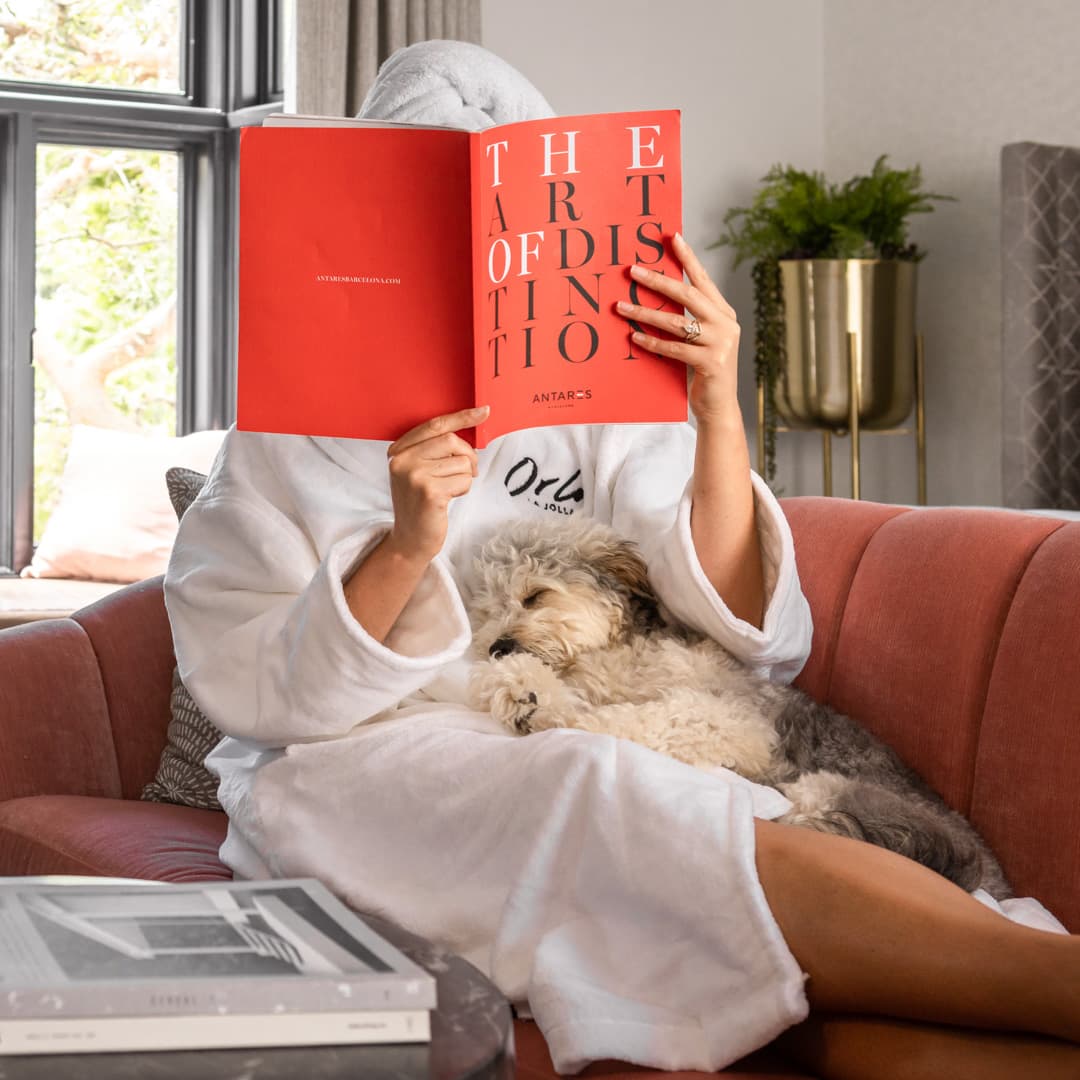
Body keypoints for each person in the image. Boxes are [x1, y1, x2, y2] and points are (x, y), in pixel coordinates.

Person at [166, 41, 1080, 1079]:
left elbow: (744, 623)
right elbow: (258, 690)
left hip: (596, 722)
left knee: (740, 872)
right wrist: (407, 542)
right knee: (601, 781)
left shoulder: (591, 391)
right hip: (363, 766)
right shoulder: (285, 434)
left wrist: (718, 408)